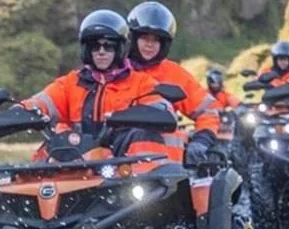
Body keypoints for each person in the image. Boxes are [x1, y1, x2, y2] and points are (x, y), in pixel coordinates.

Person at [18, 10, 184, 162]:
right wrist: (17, 114)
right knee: (52, 143)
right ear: (87, 50)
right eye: (95, 46)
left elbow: (163, 111)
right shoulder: (69, 83)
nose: (101, 51)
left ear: (120, 48)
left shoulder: (141, 83)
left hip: (124, 167)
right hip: (78, 160)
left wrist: (124, 117)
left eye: (108, 46)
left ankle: (146, 183)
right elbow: (40, 102)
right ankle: (32, 185)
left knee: (143, 136)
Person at [125, 1, 221, 164]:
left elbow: (207, 110)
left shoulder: (174, 73)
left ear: (164, 44)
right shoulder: (117, 71)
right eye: (144, 37)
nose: (149, 44)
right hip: (117, 163)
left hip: (166, 167)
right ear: (133, 38)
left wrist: (201, 139)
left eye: (156, 40)